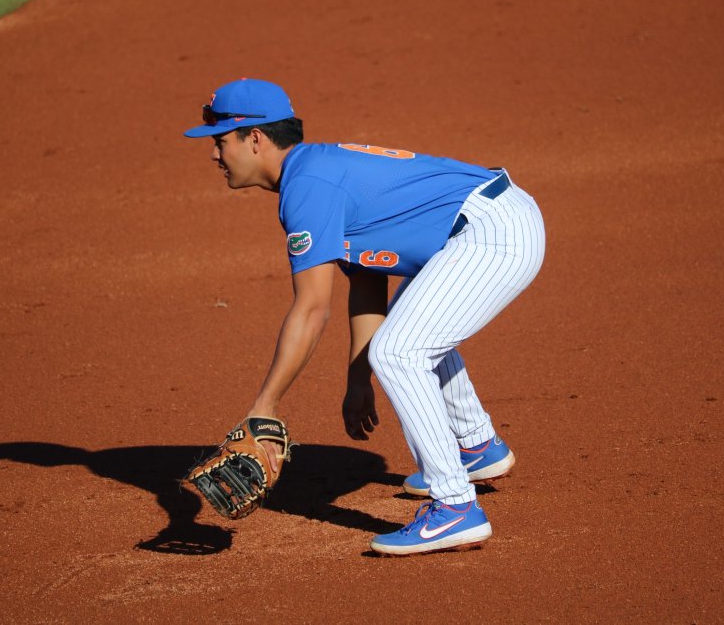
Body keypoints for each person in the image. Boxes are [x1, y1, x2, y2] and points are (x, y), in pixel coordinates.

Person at [183, 78, 545, 555]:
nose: (214, 154)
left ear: (255, 137)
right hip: (491, 221)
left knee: (400, 350)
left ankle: (454, 506)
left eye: (220, 141)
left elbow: (312, 309)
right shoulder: (314, 171)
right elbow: (368, 278)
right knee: (409, 332)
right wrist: (359, 380)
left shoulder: (307, 185)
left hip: (493, 233)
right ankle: (476, 447)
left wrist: (263, 406)